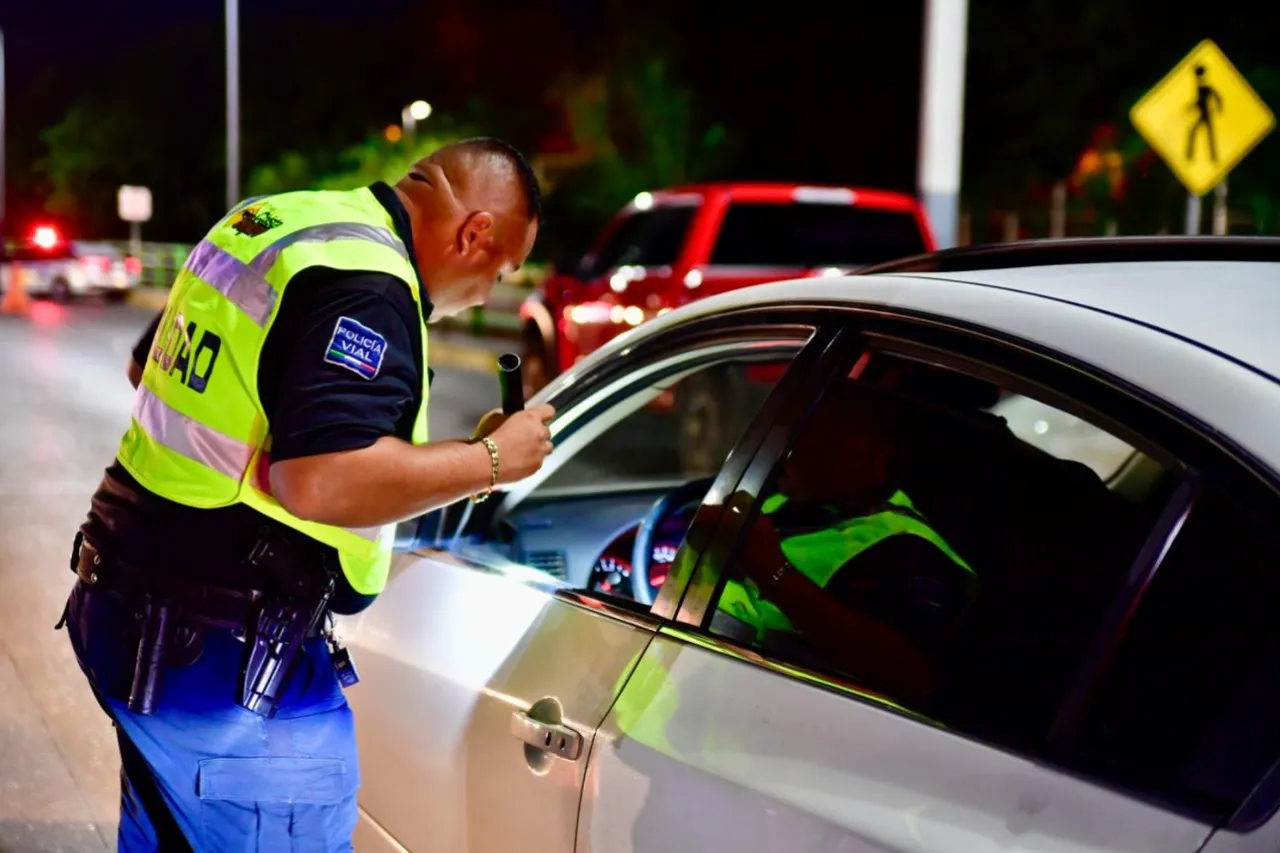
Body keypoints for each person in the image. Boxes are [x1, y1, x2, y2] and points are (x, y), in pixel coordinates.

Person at [59, 138, 556, 851]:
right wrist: (488, 460)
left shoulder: (279, 222)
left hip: (126, 600)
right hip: (219, 657)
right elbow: (320, 479)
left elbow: (149, 365)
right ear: (473, 232)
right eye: (500, 268)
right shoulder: (372, 285)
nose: (489, 291)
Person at [712, 380, 979, 702]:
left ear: (876, 457)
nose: (787, 449)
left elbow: (914, 677)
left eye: (813, 434)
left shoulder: (911, 549)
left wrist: (773, 572)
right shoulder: (786, 501)